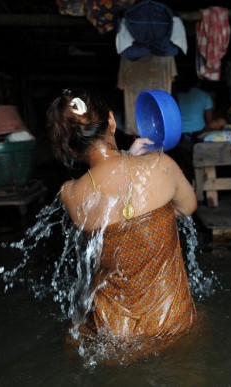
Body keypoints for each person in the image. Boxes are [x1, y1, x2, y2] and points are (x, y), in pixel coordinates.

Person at [47, 88, 197, 358]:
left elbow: (111, 207)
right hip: (174, 323)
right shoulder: (161, 166)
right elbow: (187, 207)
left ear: (70, 147)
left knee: (76, 335)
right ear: (112, 121)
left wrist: (128, 158)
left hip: (116, 340)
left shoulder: (70, 195)